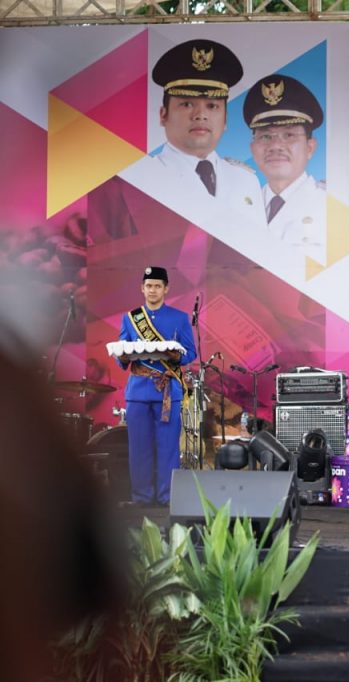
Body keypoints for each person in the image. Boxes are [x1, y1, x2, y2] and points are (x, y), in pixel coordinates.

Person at [117, 39, 267, 255]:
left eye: (212, 106)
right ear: (163, 115)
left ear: (225, 119)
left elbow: (260, 254)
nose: (200, 115)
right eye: (187, 104)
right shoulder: (140, 179)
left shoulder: (246, 181)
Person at [117, 266, 197, 505]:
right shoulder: (130, 318)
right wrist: (122, 357)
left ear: (166, 289)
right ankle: (141, 497)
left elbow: (190, 352)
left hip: (167, 391)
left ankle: (167, 497)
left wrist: (176, 356)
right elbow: (122, 351)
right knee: (139, 448)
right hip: (138, 391)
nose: (153, 290)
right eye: (149, 286)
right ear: (142, 289)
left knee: (168, 448)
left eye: (157, 286)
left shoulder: (179, 318)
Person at [244, 73, 327, 270]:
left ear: (310, 147)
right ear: (252, 148)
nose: (275, 145)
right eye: (265, 136)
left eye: (289, 134)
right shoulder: (238, 204)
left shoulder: (333, 205)